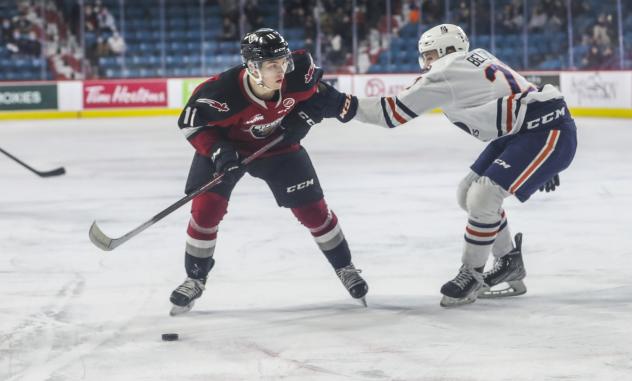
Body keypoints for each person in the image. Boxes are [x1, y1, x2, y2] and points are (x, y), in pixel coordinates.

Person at [312, 24, 577, 307]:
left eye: (427, 55)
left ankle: (472, 274)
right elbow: (524, 93)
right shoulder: (477, 57)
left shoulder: (444, 72)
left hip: (544, 132)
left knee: (483, 196)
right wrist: (545, 162)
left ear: (442, 51)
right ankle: (508, 260)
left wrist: (340, 104)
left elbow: (391, 113)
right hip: (532, 129)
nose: (425, 62)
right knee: (468, 193)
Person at [170, 28, 369, 315]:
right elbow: (191, 124)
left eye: (283, 61)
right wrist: (220, 153)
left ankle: (345, 267)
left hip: (278, 148)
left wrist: (310, 114)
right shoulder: (219, 92)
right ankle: (195, 278)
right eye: (272, 65)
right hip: (228, 149)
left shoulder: (298, 72)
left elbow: (320, 94)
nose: (282, 70)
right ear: (252, 67)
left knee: (314, 211)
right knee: (205, 211)